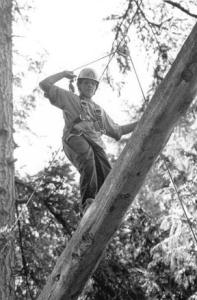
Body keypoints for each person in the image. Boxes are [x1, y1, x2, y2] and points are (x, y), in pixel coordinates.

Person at [39, 68, 137, 211]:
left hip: (96, 145)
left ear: (96, 88)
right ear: (79, 86)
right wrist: (62, 74)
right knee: (87, 156)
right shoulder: (70, 98)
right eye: (86, 83)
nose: (89, 86)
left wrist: (140, 122)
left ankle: (105, 207)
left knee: (107, 175)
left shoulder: (99, 112)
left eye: (92, 84)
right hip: (75, 138)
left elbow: (118, 131)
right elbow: (44, 84)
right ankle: (88, 202)